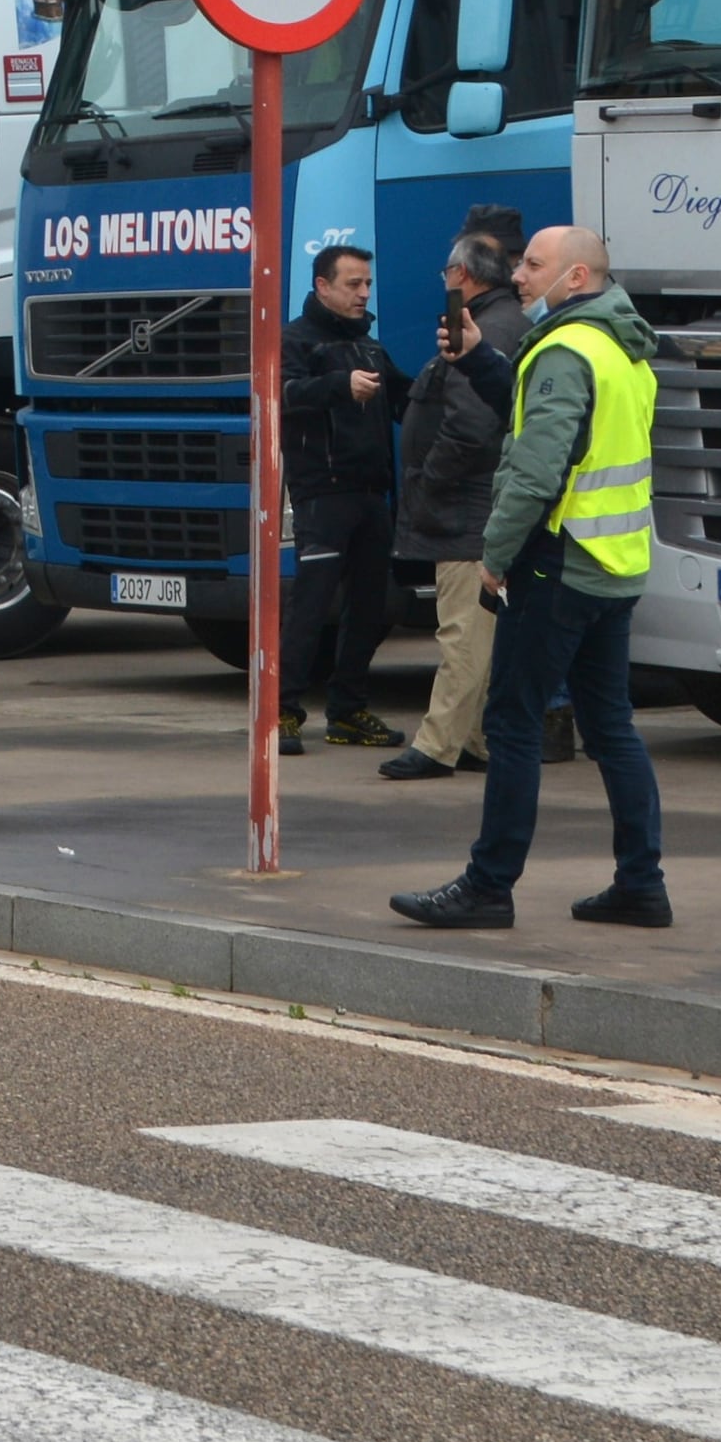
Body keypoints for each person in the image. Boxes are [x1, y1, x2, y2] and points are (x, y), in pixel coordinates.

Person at [391, 220, 669, 931]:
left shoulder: (566, 349)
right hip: (615, 565)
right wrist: (484, 359)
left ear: (576, 277)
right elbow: (544, 409)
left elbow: (538, 466)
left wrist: (495, 556)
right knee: (611, 726)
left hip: (558, 562)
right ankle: (642, 882)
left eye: (533, 264)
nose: (517, 275)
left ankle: (490, 885)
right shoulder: (619, 345)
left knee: (512, 721)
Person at [380, 227, 528, 781]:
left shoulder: (485, 329)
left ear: (462, 276)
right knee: (476, 631)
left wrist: (429, 480)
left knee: (462, 631)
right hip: (475, 504)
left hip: (466, 507)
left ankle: (438, 744)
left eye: (447, 275)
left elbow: (469, 426)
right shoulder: (503, 322)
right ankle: (473, 739)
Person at [274, 242, 401, 750]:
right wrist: (338, 385)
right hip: (322, 494)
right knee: (311, 605)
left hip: (372, 491)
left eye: (367, 284)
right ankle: (282, 711)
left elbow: (404, 395)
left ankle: (348, 710)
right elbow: (281, 394)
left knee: (371, 606)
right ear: (322, 286)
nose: (363, 293)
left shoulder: (369, 346)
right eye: (353, 284)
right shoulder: (295, 341)